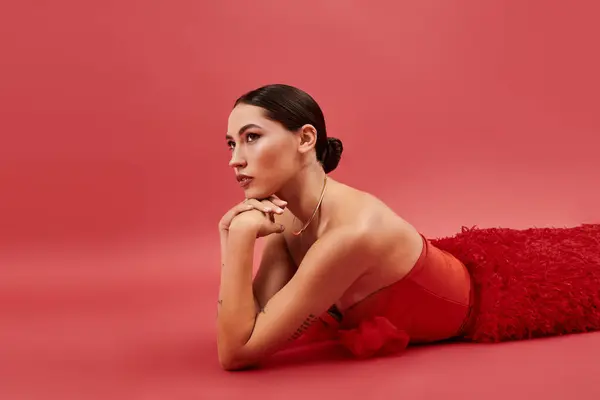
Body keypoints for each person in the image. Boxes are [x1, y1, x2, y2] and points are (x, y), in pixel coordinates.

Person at [216, 84, 600, 371]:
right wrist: (234, 237)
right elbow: (247, 325)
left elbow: (237, 353)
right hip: (439, 270)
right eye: (231, 144)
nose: (236, 159)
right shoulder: (287, 218)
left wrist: (239, 238)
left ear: (305, 138)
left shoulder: (351, 234)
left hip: (493, 295)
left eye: (252, 138)